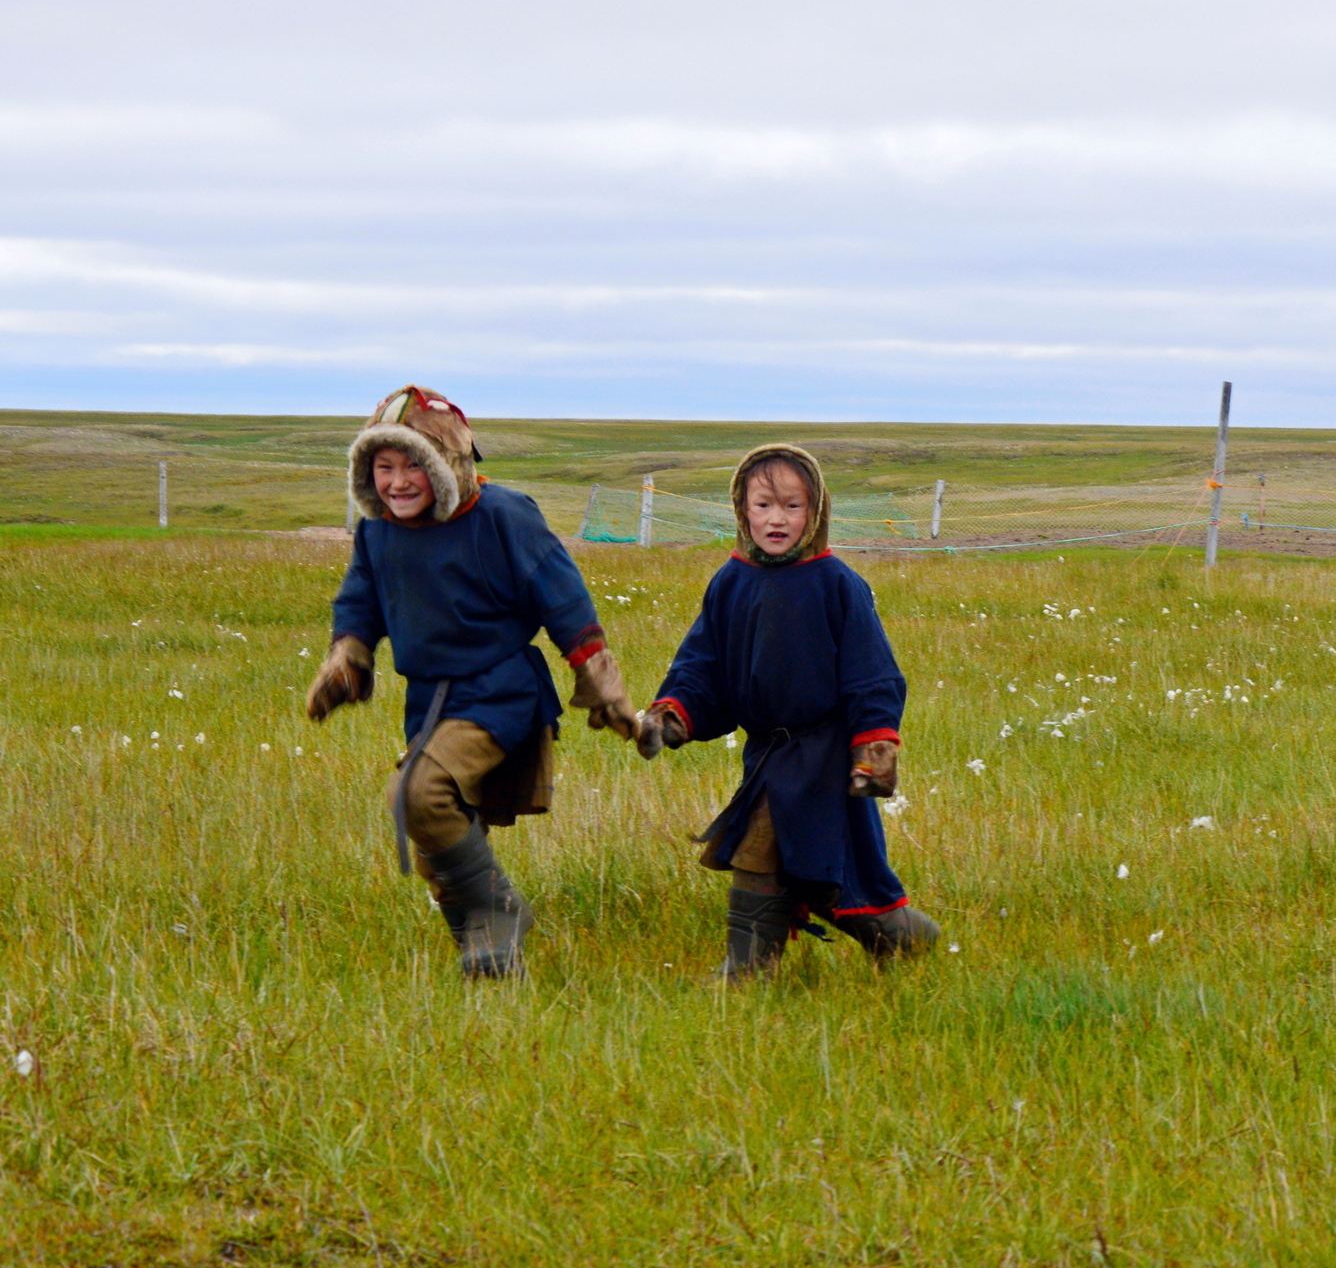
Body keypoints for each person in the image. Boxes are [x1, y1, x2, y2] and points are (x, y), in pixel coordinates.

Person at [306, 385, 638, 976]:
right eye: (384, 467)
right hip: (428, 698)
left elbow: (562, 599)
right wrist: (347, 659)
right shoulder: (378, 532)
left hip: (499, 689)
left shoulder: (504, 516)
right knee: (436, 836)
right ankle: (487, 953)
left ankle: (498, 911)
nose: (399, 482)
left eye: (414, 463)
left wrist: (602, 684)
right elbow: (360, 601)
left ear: (447, 463)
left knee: (415, 794)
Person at [637, 443, 939, 979]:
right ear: (741, 508)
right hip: (769, 755)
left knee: (765, 854)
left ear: (816, 510)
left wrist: (875, 749)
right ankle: (902, 936)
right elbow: (703, 666)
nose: (777, 519)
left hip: (823, 756)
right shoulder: (730, 582)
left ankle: (746, 974)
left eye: (792, 506)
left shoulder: (837, 584)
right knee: (817, 873)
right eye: (763, 505)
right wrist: (672, 716)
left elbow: (874, 675)